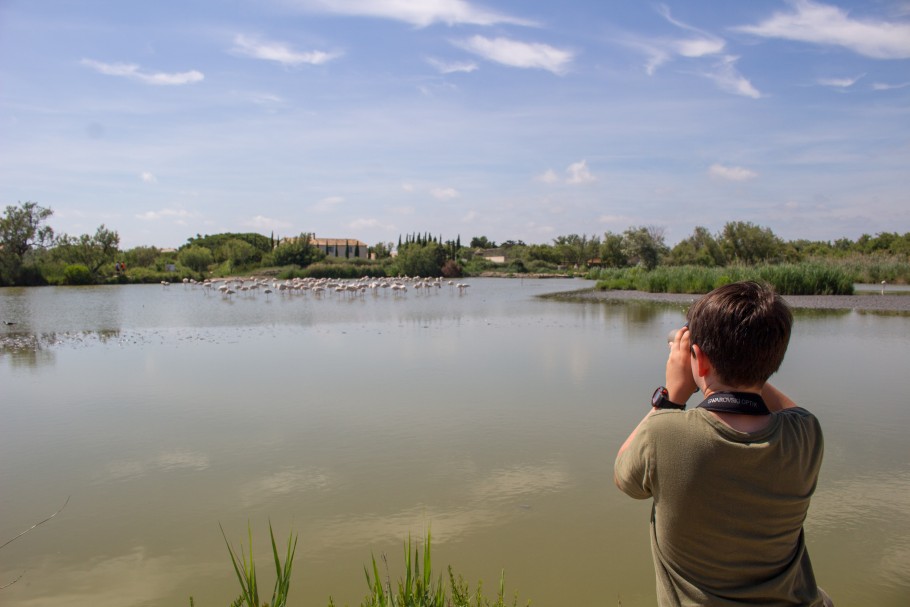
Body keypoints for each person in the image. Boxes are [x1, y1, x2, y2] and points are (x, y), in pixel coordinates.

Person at [614, 281, 832, 606]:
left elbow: (624, 477)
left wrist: (673, 396)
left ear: (698, 360)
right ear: (775, 359)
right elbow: (789, 406)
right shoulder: (804, 434)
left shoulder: (665, 434)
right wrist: (749, 367)